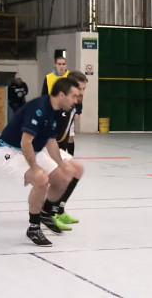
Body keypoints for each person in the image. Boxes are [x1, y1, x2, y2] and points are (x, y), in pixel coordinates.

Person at [0, 77, 84, 246]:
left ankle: (45, 213)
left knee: (64, 177)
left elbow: (50, 141)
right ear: (62, 95)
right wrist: (34, 168)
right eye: (74, 96)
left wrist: (62, 165)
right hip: (9, 150)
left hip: (33, 149)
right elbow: (24, 142)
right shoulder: (39, 108)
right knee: (41, 178)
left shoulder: (55, 110)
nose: (76, 100)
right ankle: (33, 228)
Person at [47, 70, 88, 227]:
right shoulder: (61, 105)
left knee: (76, 171)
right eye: (80, 89)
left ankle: (59, 210)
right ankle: (49, 213)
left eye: (84, 89)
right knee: (61, 175)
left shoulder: (76, 102)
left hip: (60, 144)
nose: (82, 93)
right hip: (47, 146)